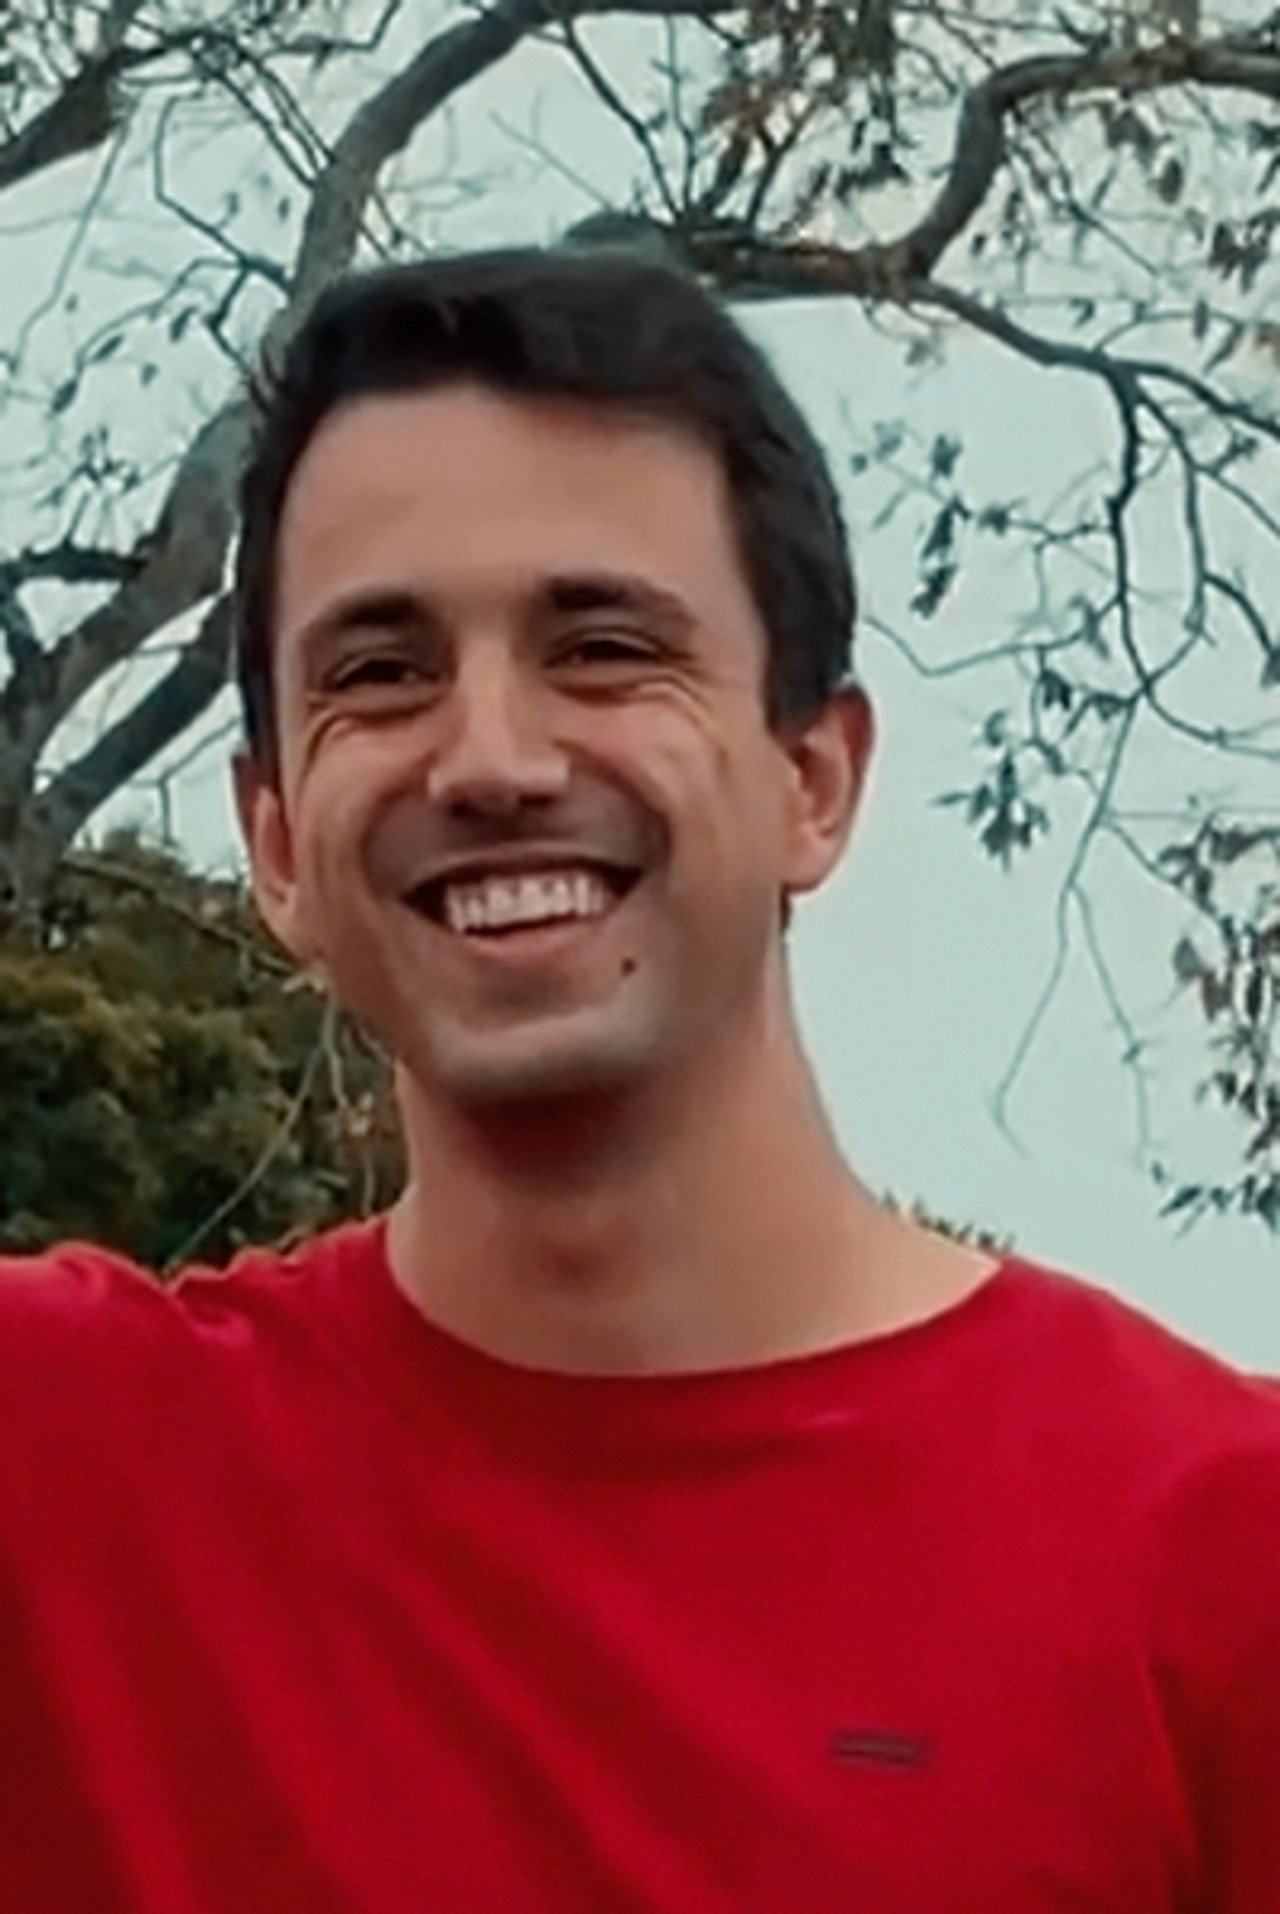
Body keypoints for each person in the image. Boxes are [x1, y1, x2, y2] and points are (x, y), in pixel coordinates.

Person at [2, 246, 1278, 1914]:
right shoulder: (64, 1482)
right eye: (380, 673)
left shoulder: (1214, 1552)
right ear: (276, 840)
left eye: (603, 647)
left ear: (815, 778)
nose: (491, 761)